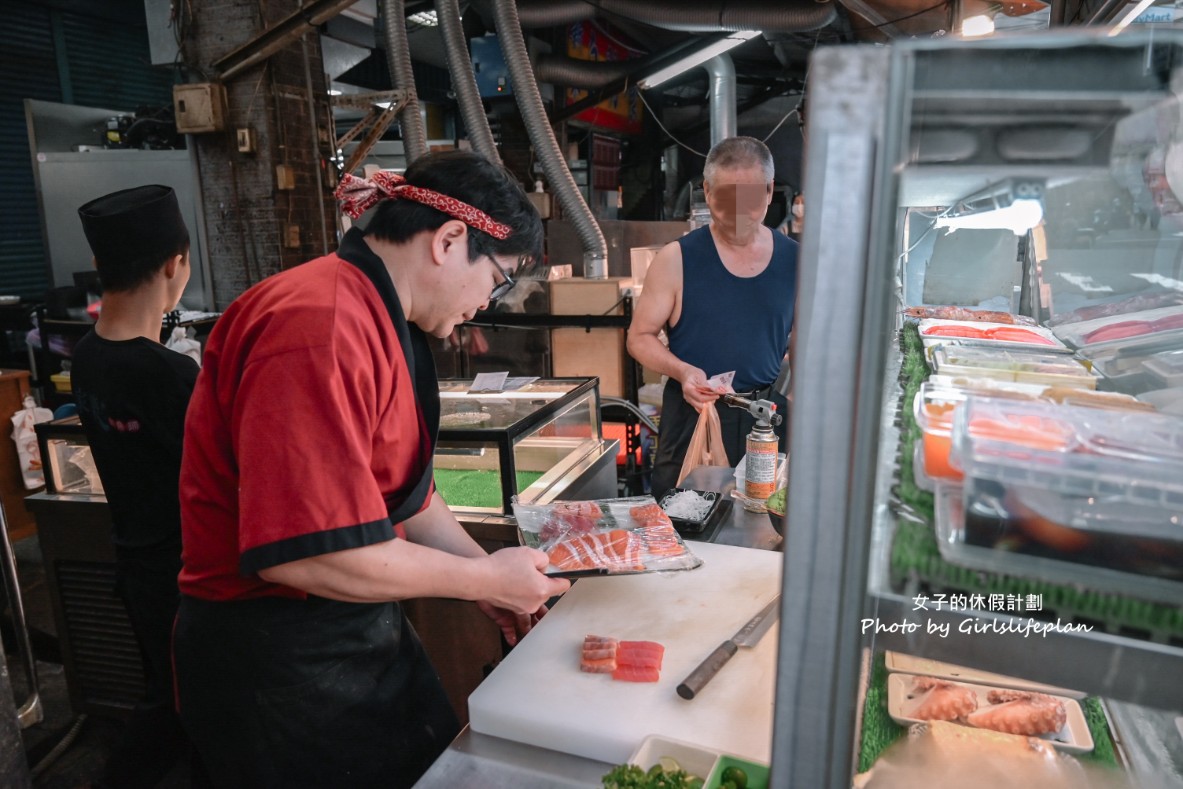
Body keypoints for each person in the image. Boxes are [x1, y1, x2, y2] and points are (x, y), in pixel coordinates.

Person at [173, 151, 571, 789]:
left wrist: (485, 577)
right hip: (279, 658)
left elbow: (408, 498)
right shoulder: (319, 325)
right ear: (448, 241)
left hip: (354, 627)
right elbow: (305, 555)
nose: (485, 305)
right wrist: (479, 581)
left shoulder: (384, 313)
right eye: (497, 281)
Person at [72, 184, 201, 787]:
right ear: (177, 264)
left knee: (167, 695)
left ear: (100, 268)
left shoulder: (86, 356)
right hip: (186, 575)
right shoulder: (171, 376)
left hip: (134, 561)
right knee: (181, 708)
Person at [628, 136, 798, 500]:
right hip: (694, 416)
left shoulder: (796, 260)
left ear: (769, 191)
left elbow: (804, 340)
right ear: (707, 191)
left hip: (765, 418)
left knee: (763, 527)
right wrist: (683, 372)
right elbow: (639, 337)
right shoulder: (676, 259)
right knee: (682, 527)